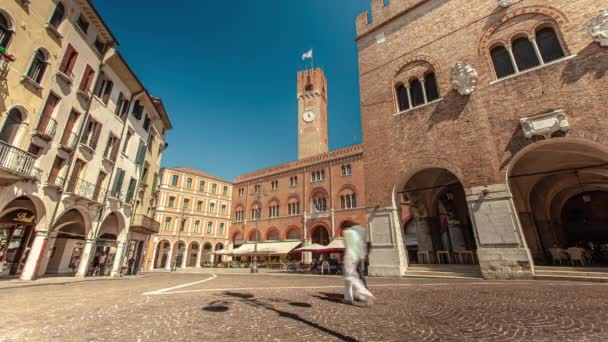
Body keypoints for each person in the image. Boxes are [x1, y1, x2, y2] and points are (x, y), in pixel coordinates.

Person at [343, 222, 374, 305]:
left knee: (350, 277)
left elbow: (346, 245)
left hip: (349, 256)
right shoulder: (356, 233)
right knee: (348, 278)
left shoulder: (346, 232)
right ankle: (348, 298)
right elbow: (360, 245)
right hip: (357, 256)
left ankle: (365, 294)